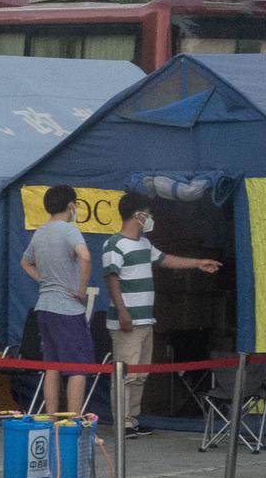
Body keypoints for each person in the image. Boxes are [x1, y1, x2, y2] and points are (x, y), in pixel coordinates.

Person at [103, 192, 221, 438]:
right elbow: (111, 279)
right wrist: (123, 312)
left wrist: (198, 263)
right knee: (127, 373)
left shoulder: (144, 244)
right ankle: (121, 422)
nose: (150, 218)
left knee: (140, 374)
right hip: (128, 321)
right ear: (139, 215)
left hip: (146, 320)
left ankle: (131, 420)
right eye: (148, 213)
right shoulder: (114, 244)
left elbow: (166, 260)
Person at [20, 185, 94, 418]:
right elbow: (85, 256)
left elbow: (25, 262)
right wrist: (81, 290)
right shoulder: (69, 230)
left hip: (44, 306)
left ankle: (51, 418)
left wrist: (44, 279)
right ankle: (73, 420)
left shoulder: (40, 232)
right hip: (67, 309)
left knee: (51, 365)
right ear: (71, 206)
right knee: (78, 367)